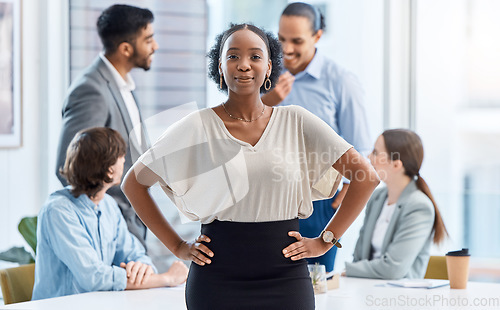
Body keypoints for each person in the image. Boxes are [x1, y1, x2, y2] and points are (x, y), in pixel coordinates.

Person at [122, 23, 379, 310]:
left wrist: (325, 240)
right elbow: (133, 183)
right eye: (233, 56)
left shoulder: (296, 120)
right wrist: (178, 246)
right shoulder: (197, 125)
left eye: (255, 57)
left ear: (269, 67)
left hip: (286, 277)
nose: (244, 65)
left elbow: (365, 177)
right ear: (220, 67)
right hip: (216, 278)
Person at [261, 2, 372, 272]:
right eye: (281, 39)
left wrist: (345, 191)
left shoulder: (340, 81)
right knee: (265, 278)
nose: (286, 49)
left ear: (317, 36)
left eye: (296, 41)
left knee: (314, 284)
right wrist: (266, 100)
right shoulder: (266, 76)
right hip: (266, 198)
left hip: (319, 202)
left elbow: (362, 146)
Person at [32, 127, 188, 300]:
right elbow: (94, 277)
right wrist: (167, 278)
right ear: (109, 170)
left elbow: (136, 255)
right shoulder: (58, 211)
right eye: (121, 157)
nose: (124, 161)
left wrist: (141, 267)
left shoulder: (108, 205)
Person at [55, 4, 159, 248]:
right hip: (114, 231)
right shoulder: (91, 90)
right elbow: (68, 167)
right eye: (149, 39)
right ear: (125, 48)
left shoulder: (125, 86)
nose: (155, 46)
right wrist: (112, 218)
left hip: (134, 222)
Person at [344, 129, 448, 279]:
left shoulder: (419, 206)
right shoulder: (377, 198)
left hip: (399, 296)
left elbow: (393, 269)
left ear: (396, 165)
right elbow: (359, 256)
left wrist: (348, 270)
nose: (368, 157)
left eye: (375, 152)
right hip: (365, 288)